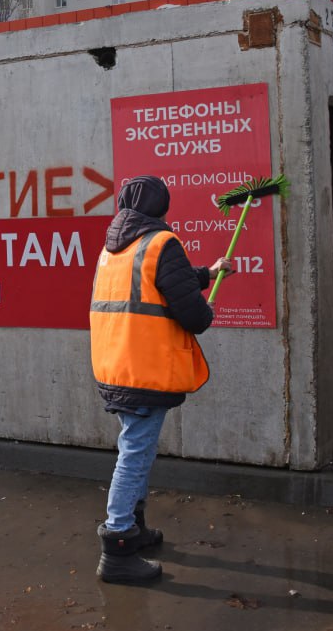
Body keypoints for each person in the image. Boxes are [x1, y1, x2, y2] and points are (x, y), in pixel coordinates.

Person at [88, 175, 234, 585]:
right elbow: (189, 310)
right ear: (161, 206)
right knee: (134, 454)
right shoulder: (161, 242)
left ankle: (133, 528)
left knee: (136, 449)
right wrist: (205, 312)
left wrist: (207, 272)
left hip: (117, 365)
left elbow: (157, 284)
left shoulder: (114, 247)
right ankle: (117, 545)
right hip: (146, 369)